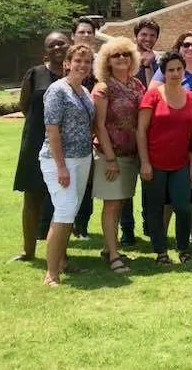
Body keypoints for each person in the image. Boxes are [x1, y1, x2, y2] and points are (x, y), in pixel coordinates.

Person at [9, 31, 69, 263]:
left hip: (65, 146)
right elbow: (25, 105)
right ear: (46, 50)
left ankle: (60, 253)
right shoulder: (36, 74)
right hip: (35, 142)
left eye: (61, 43)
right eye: (52, 45)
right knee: (32, 198)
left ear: (68, 45)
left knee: (62, 201)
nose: (57, 48)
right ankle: (28, 250)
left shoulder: (73, 74)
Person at [136, 51, 192, 265]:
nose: (175, 73)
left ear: (183, 71)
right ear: (163, 73)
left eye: (178, 69)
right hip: (154, 163)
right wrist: (145, 162)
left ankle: (183, 249)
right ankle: (161, 252)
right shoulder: (153, 95)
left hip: (180, 163)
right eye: (170, 70)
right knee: (155, 208)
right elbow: (141, 130)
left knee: (183, 207)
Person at [39, 44, 96, 286]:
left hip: (82, 158)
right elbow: (52, 129)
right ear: (67, 63)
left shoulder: (83, 91)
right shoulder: (57, 91)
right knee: (63, 212)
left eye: (87, 62)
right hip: (59, 161)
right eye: (78, 61)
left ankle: (61, 261)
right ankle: (50, 273)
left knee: (69, 213)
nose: (82, 65)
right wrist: (61, 166)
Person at [150, 31, 192, 246]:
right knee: (169, 193)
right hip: (169, 140)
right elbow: (153, 99)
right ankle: (164, 234)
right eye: (185, 45)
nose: (190, 49)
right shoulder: (165, 72)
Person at [91, 36, 144, 274]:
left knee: (121, 201)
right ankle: (114, 256)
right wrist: (110, 158)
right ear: (107, 61)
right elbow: (99, 125)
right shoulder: (103, 88)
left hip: (131, 154)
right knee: (111, 204)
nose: (122, 58)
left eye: (125, 54)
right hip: (109, 155)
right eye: (116, 55)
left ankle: (107, 247)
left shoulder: (137, 85)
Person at [120, 18, 161, 245]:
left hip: (150, 131)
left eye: (152, 36)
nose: (147, 39)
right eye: (144, 35)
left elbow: (153, 94)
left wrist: (149, 66)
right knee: (126, 183)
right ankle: (127, 230)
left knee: (149, 183)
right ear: (136, 35)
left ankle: (150, 226)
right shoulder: (124, 59)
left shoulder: (158, 63)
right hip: (126, 130)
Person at [69, 17, 98, 239]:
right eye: (82, 32)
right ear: (74, 35)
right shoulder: (67, 63)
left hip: (90, 135)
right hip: (66, 137)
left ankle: (82, 226)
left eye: (90, 32)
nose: (86, 35)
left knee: (87, 184)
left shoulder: (99, 65)